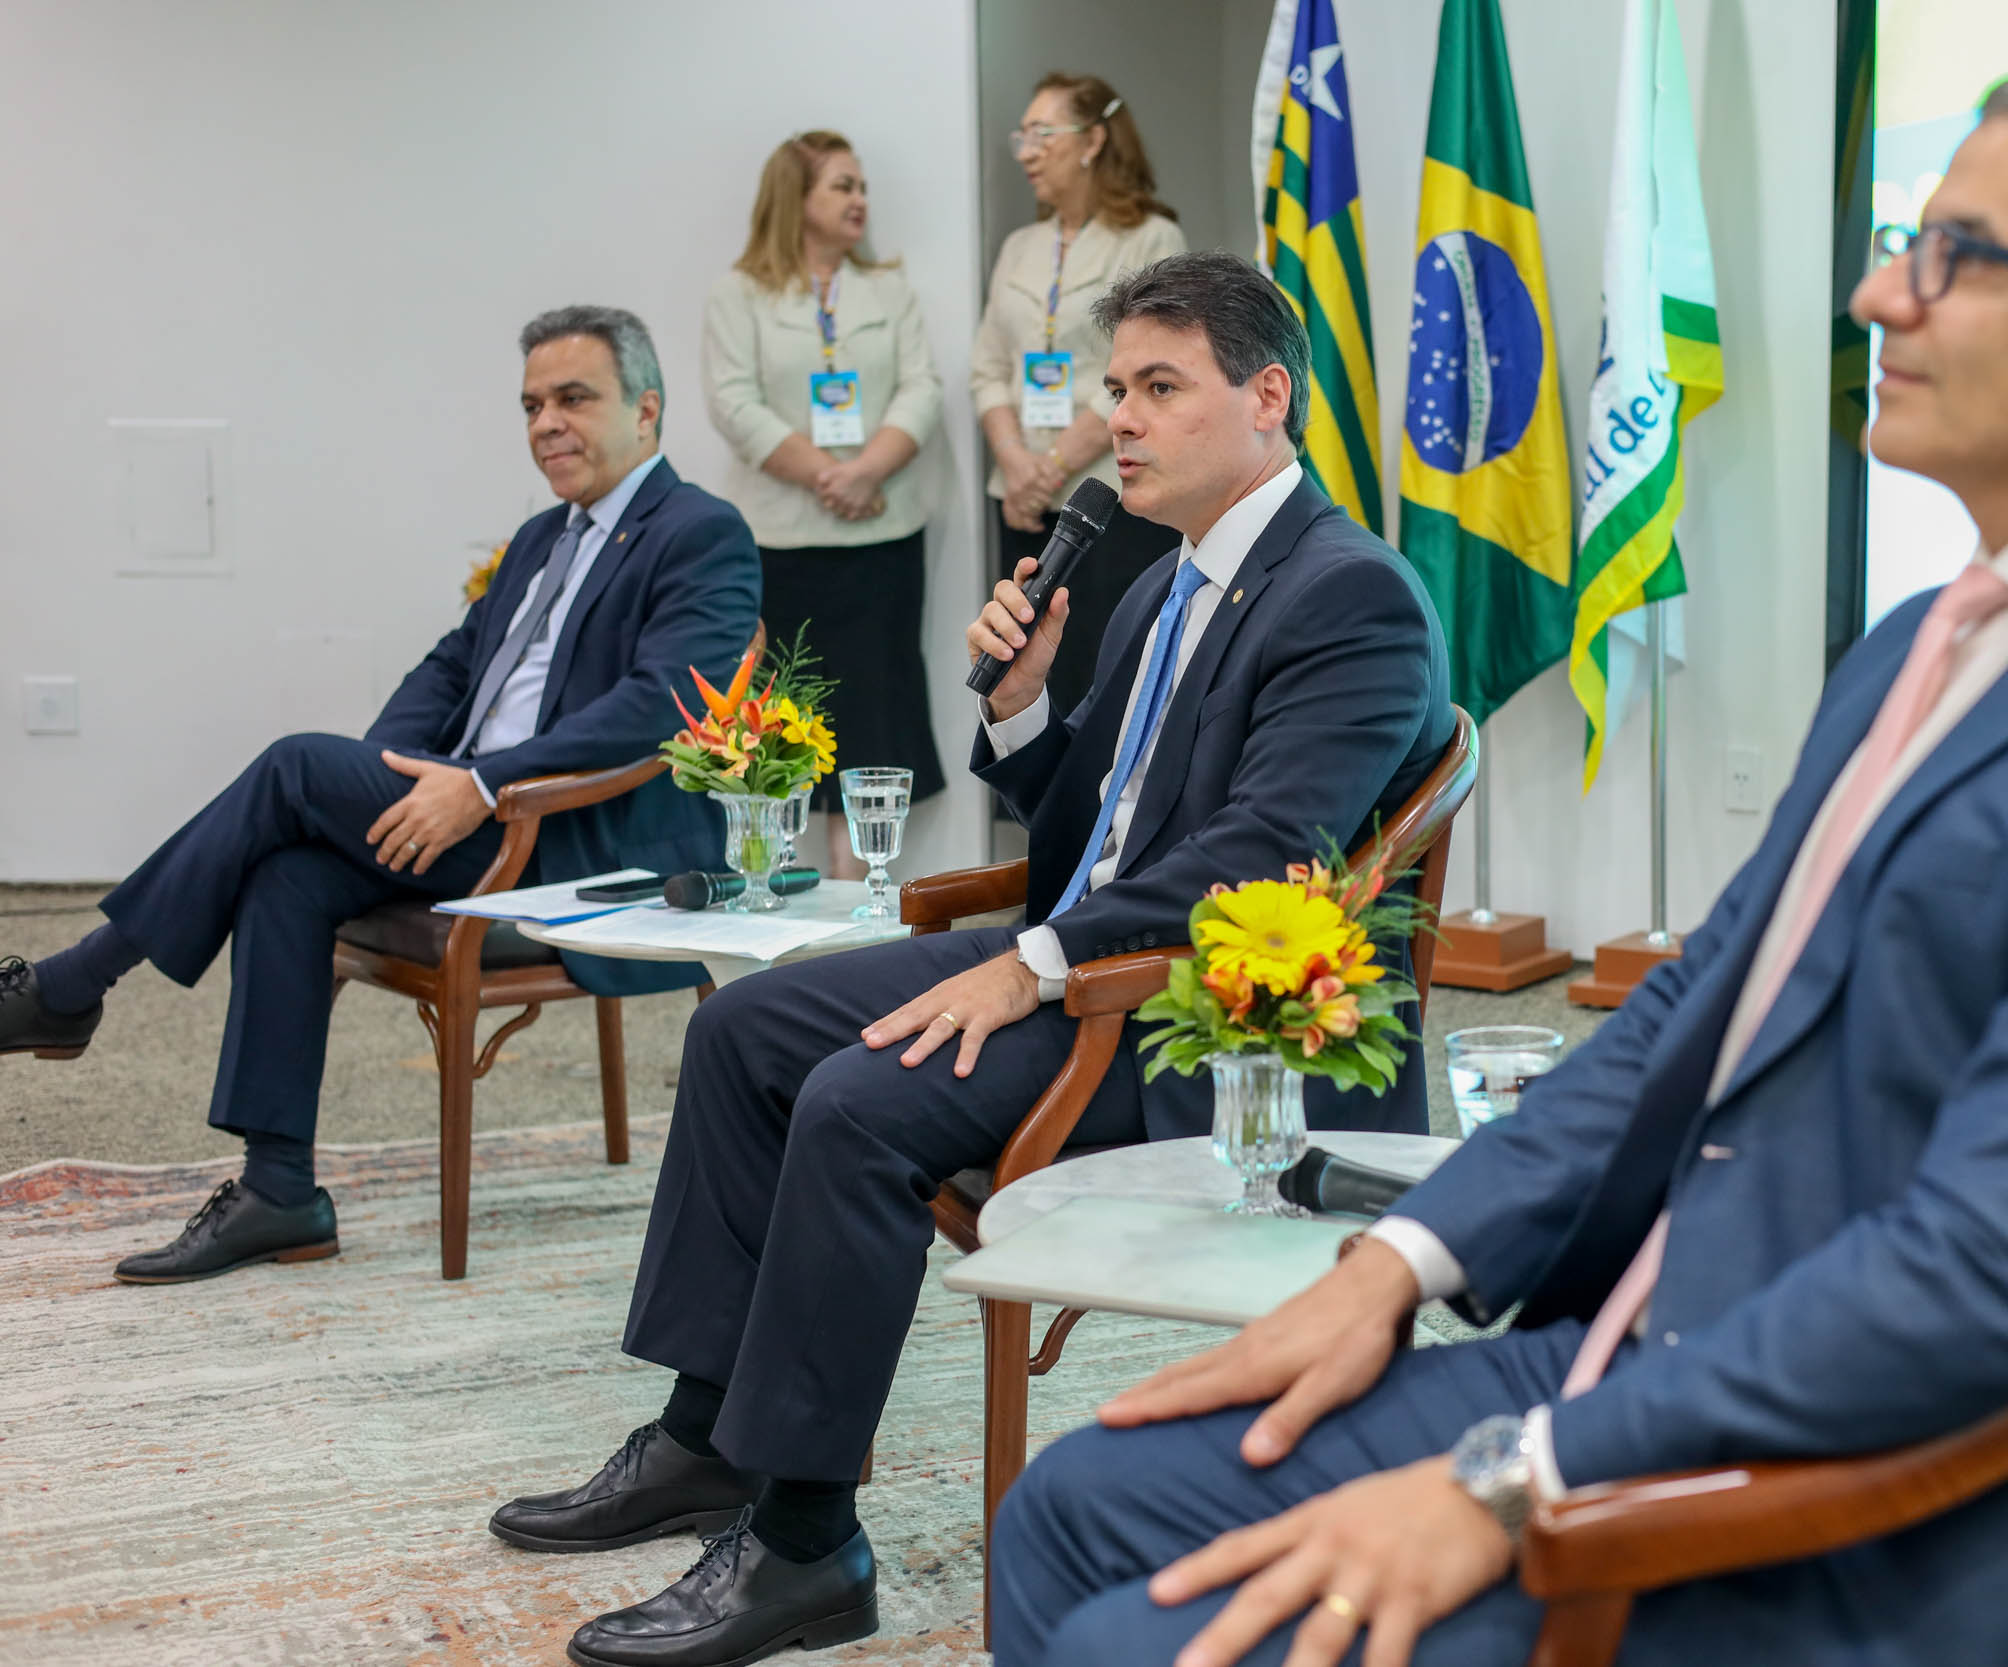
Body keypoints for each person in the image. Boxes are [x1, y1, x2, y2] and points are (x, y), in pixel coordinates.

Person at [988, 69, 2008, 1667]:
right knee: (1077, 1503)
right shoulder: (1918, 647)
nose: (1878, 295)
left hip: (1869, 1507)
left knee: (1134, 1638)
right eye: (1901, 243)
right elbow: (1700, 1002)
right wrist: (1396, 1257)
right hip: (1662, 1342)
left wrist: (1520, 1476)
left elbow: (1995, 1275)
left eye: (1952, 257)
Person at [490, 251, 1453, 1667]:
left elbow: (1257, 858)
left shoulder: (1350, 596)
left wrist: (1032, 966)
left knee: (856, 1100)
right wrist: (1021, 706)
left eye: (1160, 387)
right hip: (1093, 957)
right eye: (1115, 387)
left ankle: (807, 1545)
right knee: (744, 1029)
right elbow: (1086, 836)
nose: (1120, 419)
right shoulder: (1158, 585)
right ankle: (708, 1434)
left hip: (1209, 1023)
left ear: (1268, 398)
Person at [0, 306, 760, 1285]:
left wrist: (479, 785)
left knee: (294, 766)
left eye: (573, 398)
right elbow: (449, 670)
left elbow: (665, 703)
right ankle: (280, 1188)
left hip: (578, 838)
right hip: (472, 811)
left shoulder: (701, 531)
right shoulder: (542, 537)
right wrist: (394, 783)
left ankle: (71, 985)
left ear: (647, 409)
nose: (545, 423)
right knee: (289, 869)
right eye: (531, 404)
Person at [703, 130, 946, 877]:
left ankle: (862, 886)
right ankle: (778, 883)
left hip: (882, 538)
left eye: (862, 186)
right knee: (782, 722)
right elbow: (733, 402)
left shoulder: (887, 290)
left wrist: (867, 471)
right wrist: (826, 477)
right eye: (843, 185)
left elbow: (922, 388)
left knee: (875, 716)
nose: (860, 200)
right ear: (795, 196)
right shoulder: (740, 294)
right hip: (782, 544)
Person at [971, 71, 1186, 713]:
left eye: (1043, 134)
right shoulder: (1020, 247)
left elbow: (1143, 370)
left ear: (1092, 141)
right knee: (1029, 673)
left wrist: (1053, 467)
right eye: (1022, 138)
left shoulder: (1151, 238)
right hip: (1022, 504)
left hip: (1111, 500)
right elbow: (989, 368)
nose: (1027, 153)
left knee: (1108, 677)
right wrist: (1018, 466)